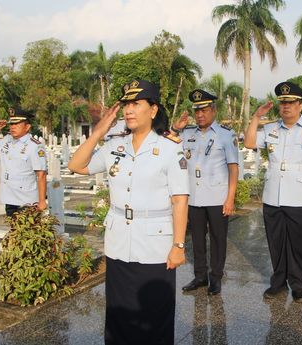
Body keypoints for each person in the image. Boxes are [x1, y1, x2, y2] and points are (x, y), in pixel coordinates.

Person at [68, 79, 189, 345]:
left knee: (154, 315)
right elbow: (76, 165)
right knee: (119, 313)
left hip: (156, 244)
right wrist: (99, 131)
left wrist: (178, 245)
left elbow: (180, 200)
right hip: (119, 241)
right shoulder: (114, 146)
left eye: (137, 104)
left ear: (153, 109)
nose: (129, 110)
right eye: (126, 105)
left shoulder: (170, 148)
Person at [244, 81, 302, 304]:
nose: (286, 107)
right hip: (274, 195)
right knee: (276, 242)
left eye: (291, 103)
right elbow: (250, 142)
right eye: (283, 103)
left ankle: (298, 285)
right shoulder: (270, 128)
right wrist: (256, 118)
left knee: (300, 245)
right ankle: (278, 282)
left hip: (301, 196)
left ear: (300, 105)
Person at [170, 89, 239, 296]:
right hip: (194, 196)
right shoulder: (187, 133)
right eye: (197, 111)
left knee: (218, 238)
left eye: (204, 110)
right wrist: (175, 128)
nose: (200, 114)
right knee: (197, 238)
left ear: (213, 110)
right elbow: (165, 142)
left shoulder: (226, 135)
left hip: (218, 197)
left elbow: (233, 167)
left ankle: (216, 277)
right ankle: (200, 276)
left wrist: (230, 198)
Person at [0, 108, 47, 217]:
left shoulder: (34, 146)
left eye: (17, 124)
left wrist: (42, 201)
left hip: (27, 200)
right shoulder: (6, 141)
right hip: (10, 198)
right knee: (14, 230)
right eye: (11, 124)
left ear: (27, 127)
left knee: (28, 232)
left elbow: (41, 174)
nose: (13, 127)